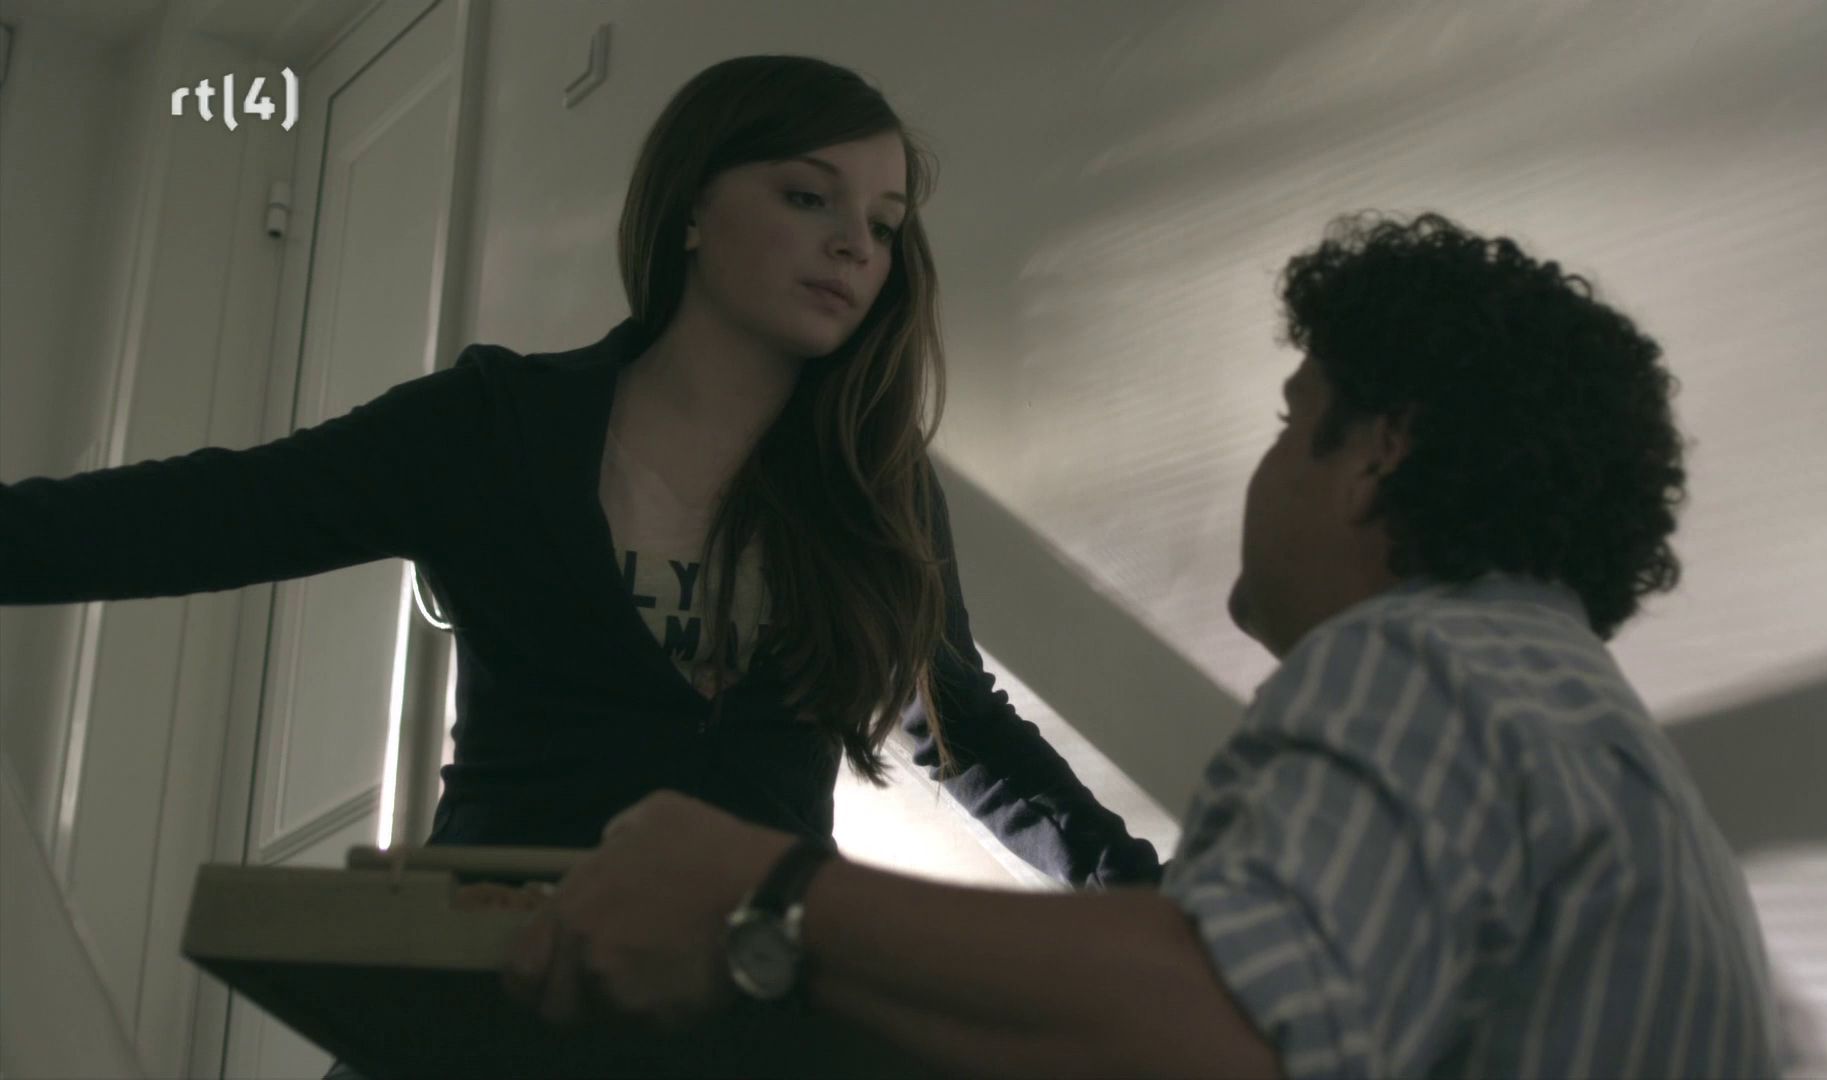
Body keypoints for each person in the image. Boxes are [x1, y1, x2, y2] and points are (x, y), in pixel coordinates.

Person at [1, 53, 1161, 1073]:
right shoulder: (494, 427)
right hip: (484, 1006)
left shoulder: (876, 491)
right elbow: (202, 513)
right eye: (808, 196)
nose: (856, 243)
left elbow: (962, 728)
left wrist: (1160, 915)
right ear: (692, 207)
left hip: (741, 1023)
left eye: (886, 222)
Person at [503, 212, 1785, 1079]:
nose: (1266, 467)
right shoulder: (1582, 729)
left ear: (1375, 456)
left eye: (1291, 420)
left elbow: (1225, 1027)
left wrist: (769, 894)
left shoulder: (1420, 664)